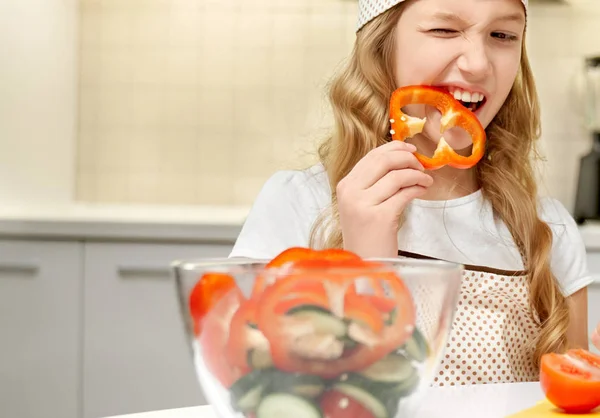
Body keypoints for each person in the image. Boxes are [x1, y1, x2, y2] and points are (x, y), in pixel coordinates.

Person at [228, 0, 600, 385]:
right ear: (381, 46)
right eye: (444, 30)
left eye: (503, 35)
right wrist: (367, 265)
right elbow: (260, 393)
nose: (478, 63)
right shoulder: (299, 205)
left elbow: (568, 399)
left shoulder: (547, 228)